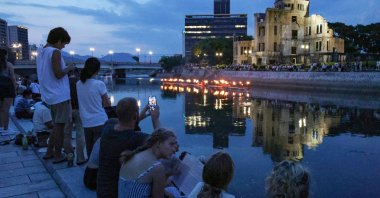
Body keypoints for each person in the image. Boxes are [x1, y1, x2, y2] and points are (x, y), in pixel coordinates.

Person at [96, 97, 160, 198]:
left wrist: (140, 113)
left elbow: (126, 121)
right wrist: (155, 118)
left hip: (102, 191)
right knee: (160, 170)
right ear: (135, 116)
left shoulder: (109, 124)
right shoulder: (135, 138)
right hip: (117, 193)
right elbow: (161, 141)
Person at [36, 27, 75, 164]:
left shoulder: (40, 52)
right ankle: (58, 155)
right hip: (59, 95)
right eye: (64, 44)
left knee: (56, 125)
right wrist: (69, 68)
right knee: (60, 127)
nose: (63, 47)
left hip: (49, 94)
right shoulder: (55, 52)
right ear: (58, 41)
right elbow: (58, 74)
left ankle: (49, 152)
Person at [118, 128, 178, 198]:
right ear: (158, 143)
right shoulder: (157, 167)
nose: (174, 149)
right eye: (171, 144)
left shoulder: (134, 156)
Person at [76, 57, 111, 157]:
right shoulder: (99, 84)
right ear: (97, 70)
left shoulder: (78, 84)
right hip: (100, 121)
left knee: (90, 150)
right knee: (101, 150)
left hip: (86, 122)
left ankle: (91, 170)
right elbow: (107, 104)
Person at [64, 68, 86, 165]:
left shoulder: (63, 83)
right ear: (77, 73)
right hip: (79, 109)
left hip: (66, 110)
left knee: (67, 134)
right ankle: (80, 158)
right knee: (80, 133)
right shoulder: (80, 83)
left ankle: (69, 156)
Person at [0, 48, 16, 133]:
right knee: (6, 109)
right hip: (7, 88)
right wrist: (15, 89)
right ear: (5, 55)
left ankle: (0, 127)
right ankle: (6, 129)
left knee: (0, 109)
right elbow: (13, 78)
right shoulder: (9, 64)